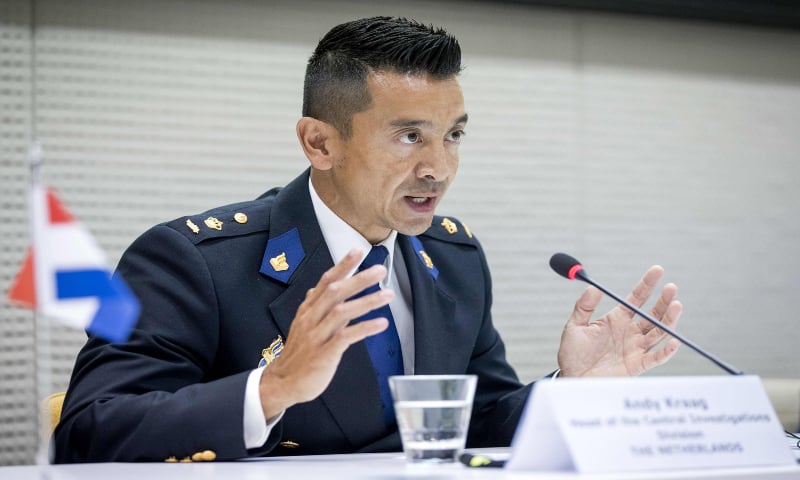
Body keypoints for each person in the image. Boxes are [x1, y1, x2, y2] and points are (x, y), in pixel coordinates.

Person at [53, 16, 682, 463]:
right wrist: (269, 390)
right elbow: (90, 428)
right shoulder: (196, 260)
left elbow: (474, 420)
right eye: (409, 135)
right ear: (319, 142)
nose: (439, 166)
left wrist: (569, 393)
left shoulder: (453, 258)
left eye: (453, 134)